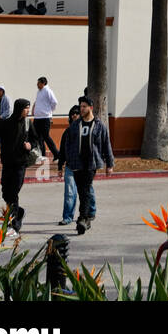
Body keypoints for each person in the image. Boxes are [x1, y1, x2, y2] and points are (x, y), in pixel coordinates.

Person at [61, 96, 115, 234]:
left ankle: (82, 218)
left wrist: (110, 164)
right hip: (77, 163)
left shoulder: (99, 125)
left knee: (84, 190)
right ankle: (87, 218)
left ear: (91, 108)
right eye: (81, 106)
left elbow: (106, 145)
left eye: (84, 106)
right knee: (82, 191)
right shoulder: (75, 125)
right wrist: (67, 160)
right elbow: (68, 144)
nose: (82, 109)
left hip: (91, 164)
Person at [0, 97, 39, 232]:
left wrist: (30, 145)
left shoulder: (28, 123)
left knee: (14, 192)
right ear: (18, 109)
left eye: (28, 107)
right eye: (26, 108)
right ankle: (18, 211)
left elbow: (35, 139)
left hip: (20, 164)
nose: (28, 110)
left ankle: (14, 222)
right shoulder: (6, 124)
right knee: (6, 193)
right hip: (7, 163)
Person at [58, 105, 96, 226]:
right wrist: (60, 166)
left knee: (87, 190)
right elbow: (63, 150)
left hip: (85, 167)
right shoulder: (68, 132)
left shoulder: (87, 130)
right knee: (69, 192)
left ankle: (91, 211)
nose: (74, 115)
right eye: (72, 114)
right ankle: (67, 217)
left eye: (76, 113)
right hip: (70, 166)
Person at [31, 76, 60, 161]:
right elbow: (38, 102)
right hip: (37, 118)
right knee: (37, 137)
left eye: (38, 83)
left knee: (46, 137)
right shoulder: (39, 92)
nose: (37, 84)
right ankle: (42, 155)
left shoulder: (48, 91)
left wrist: (50, 111)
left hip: (45, 118)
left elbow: (54, 102)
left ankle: (57, 154)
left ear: (43, 83)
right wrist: (34, 109)